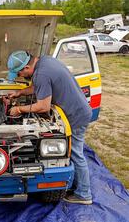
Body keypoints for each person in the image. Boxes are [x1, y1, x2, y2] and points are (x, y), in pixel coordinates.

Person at [6, 50, 93, 205]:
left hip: (75, 115)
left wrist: (19, 109)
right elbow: (37, 87)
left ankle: (84, 194)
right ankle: (78, 186)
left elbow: (43, 107)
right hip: (77, 109)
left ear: (26, 67)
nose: (20, 76)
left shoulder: (41, 75)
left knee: (75, 153)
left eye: (19, 73)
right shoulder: (45, 62)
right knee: (74, 152)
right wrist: (19, 93)